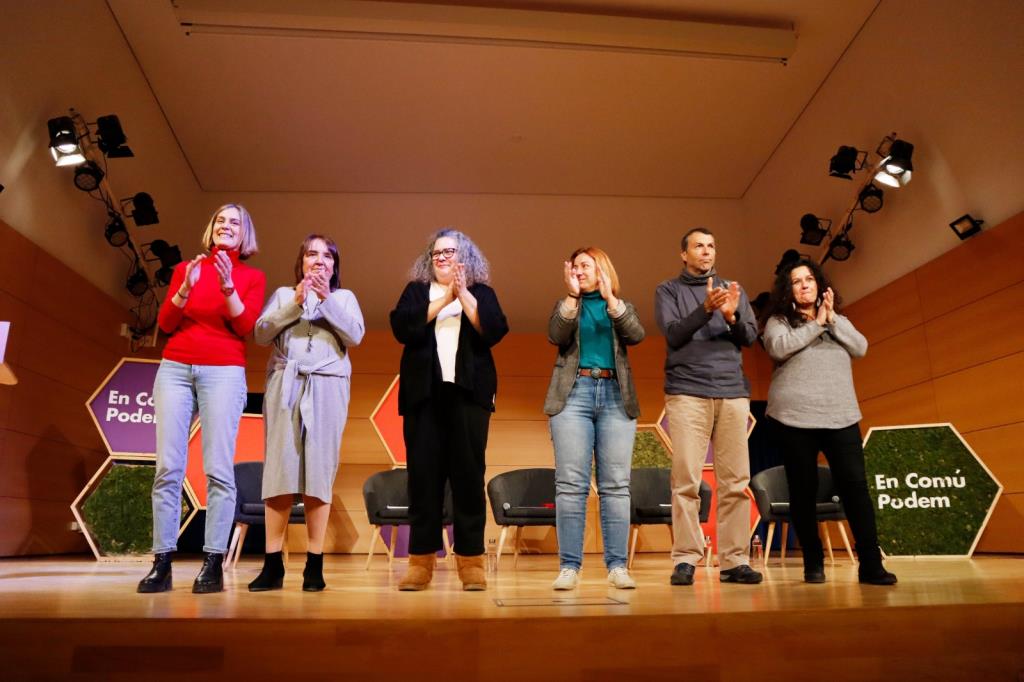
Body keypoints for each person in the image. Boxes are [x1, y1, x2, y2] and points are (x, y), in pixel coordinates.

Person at [138, 204, 266, 594]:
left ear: (245, 236)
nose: (226, 227)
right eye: (220, 221)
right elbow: (164, 324)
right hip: (175, 367)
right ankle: (162, 562)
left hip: (223, 370)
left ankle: (212, 561)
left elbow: (245, 326)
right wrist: (184, 289)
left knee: (218, 469)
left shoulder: (251, 276)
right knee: (168, 468)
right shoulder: (185, 269)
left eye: (235, 223)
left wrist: (228, 287)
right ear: (211, 231)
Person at [760, 257, 897, 585]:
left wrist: (831, 319)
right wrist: (816, 324)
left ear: (820, 285)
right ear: (787, 289)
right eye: (797, 281)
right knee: (803, 491)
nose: (805, 284)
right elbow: (779, 348)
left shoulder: (838, 321)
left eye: (810, 279)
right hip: (793, 418)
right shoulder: (779, 321)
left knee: (856, 489)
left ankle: (870, 563)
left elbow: (861, 347)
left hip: (841, 416)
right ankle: (813, 561)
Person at [389, 229, 508, 591]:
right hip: (424, 399)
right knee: (423, 480)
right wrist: (443, 301)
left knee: (469, 480)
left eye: (449, 252)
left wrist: (464, 295)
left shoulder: (482, 294)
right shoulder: (416, 293)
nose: (441, 258)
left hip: (469, 400)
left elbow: (494, 330)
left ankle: (471, 562)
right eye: (436, 253)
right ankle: (421, 563)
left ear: (465, 257)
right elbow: (402, 327)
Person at [247, 234, 365, 592]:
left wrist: (325, 299)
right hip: (286, 384)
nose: (319, 260)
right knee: (280, 470)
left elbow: (355, 335)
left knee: (319, 471)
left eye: (327, 256)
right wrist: (295, 303)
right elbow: (261, 334)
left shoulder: (344, 297)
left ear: (334, 266)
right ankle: (272, 565)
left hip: (328, 386)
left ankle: (314, 564)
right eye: (312, 254)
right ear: (300, 263)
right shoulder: (285, 294)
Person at [654, 227, 762, 586]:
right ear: (684, 254)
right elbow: (673, 334)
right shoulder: (668, 290)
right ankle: (686, 558)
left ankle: (734, 561)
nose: (706, 251)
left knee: (735, 481)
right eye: (698, 246)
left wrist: (730, 316)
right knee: (686, 479)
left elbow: (750, 336)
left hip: (732, 393)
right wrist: (705, 309)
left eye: (711, 246)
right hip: (687, 393)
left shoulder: (734, 290)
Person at [544, 248, 645, 590]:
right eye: (574, 266)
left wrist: (610, 299)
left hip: (616, 395)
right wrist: (572, 296)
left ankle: (617, 565)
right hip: (574, 395)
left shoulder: (621, 305)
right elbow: (556, 335)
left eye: (585, 265)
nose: (579, 271)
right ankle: (569, 566)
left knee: (616, 485)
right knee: (570, 486)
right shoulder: (567, 304)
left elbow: (636, 334)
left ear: (602, 268)